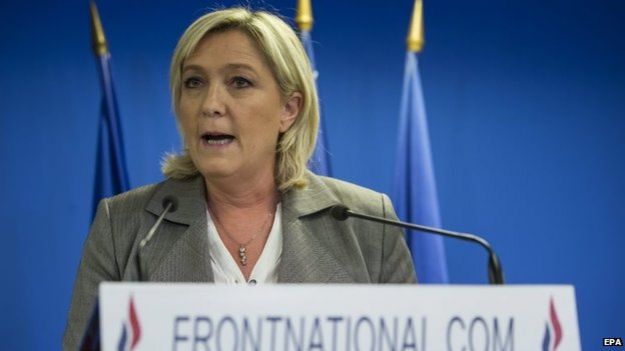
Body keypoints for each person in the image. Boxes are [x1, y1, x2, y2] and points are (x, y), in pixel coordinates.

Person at [63, 7, 416, 350]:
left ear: (288, 110)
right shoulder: (124, 226)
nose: (210, 104)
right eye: (194, 82)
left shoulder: (368, 224)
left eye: (240, 82)